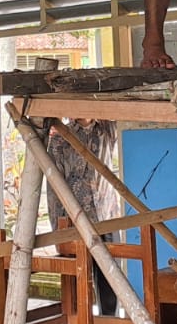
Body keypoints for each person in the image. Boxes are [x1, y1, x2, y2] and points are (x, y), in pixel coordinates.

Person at [45, 118, 123, 314]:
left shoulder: (106, 130)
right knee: (78, 278)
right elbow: (54, 186)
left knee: (111, 275)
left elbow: (113, 110)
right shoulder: (60, 138)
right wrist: (59, 226)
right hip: (75, 219)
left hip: (106, 215)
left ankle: (109, 322)